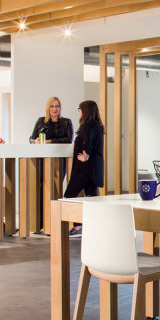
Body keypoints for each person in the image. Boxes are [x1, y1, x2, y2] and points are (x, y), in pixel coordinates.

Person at [64, 100, 105, 235]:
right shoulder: (97, 125)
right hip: (94, 169)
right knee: (90, 198)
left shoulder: (87, 126)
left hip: (84, 169)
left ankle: (78, 226)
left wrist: (85, 155)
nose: (79, 112)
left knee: (69, 195)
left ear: (85, 111)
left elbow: (88, 141)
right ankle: (90, 226)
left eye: (80, 109)